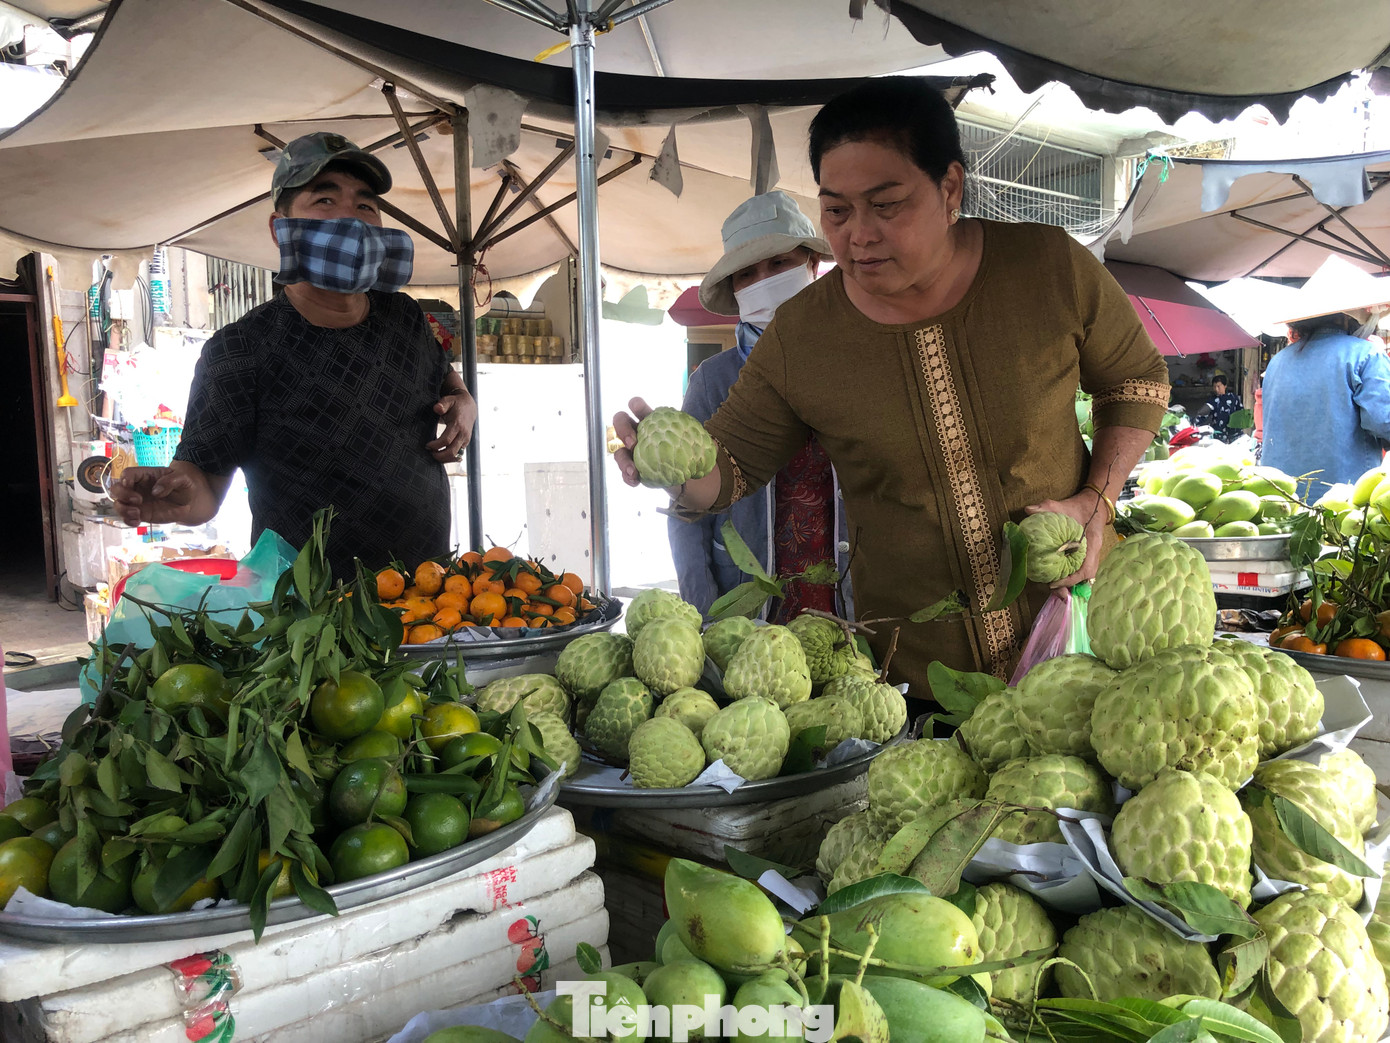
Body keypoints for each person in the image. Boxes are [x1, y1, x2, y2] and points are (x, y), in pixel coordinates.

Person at [614, 78, 1169, 691]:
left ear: (949, 187)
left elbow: (1136, 379)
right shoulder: (802, 336)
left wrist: (1099, 498)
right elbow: (730, 467)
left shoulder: (1049, 268)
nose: (859, 234)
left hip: (1079, 638)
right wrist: (670, 464)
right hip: (916, 674)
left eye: (886, 205)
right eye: (836, 210)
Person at [112, 132, 477, 577]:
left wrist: (464, 401)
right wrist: (180, 497)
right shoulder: (239, 349)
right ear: (279, 229)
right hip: (310, 617)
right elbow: (203, 481)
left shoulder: (405, 316)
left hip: (430, 593)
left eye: (365, 206)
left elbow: (444, 380)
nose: (352, 220)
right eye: (324, 201)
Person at [669, 191, 851, 622]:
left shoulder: (852, 365)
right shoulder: (713, 381)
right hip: (748, 606)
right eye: (746, 274)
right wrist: (706, 615)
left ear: (811, 264)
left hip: (845, 597)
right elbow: (686, 513)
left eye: (779, 264)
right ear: (734, 291)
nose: (763, 281)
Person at [1261, 301, 1390, 501]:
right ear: (1348, 317)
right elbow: (1383, 421)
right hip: (1342, 504)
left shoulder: (1277, 361)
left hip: (1279, 498)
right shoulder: (1366, 354)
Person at [1197, 373, 1243, 442]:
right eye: (1214, 386)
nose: (1216, 389)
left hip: (1235, 433)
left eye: (1218, 386)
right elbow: (1202, 414)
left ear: (1225, 386)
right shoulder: (1212, 401)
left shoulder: (1233, 398)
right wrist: (1196, 427)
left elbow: (1241, 412)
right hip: (1219, 434)